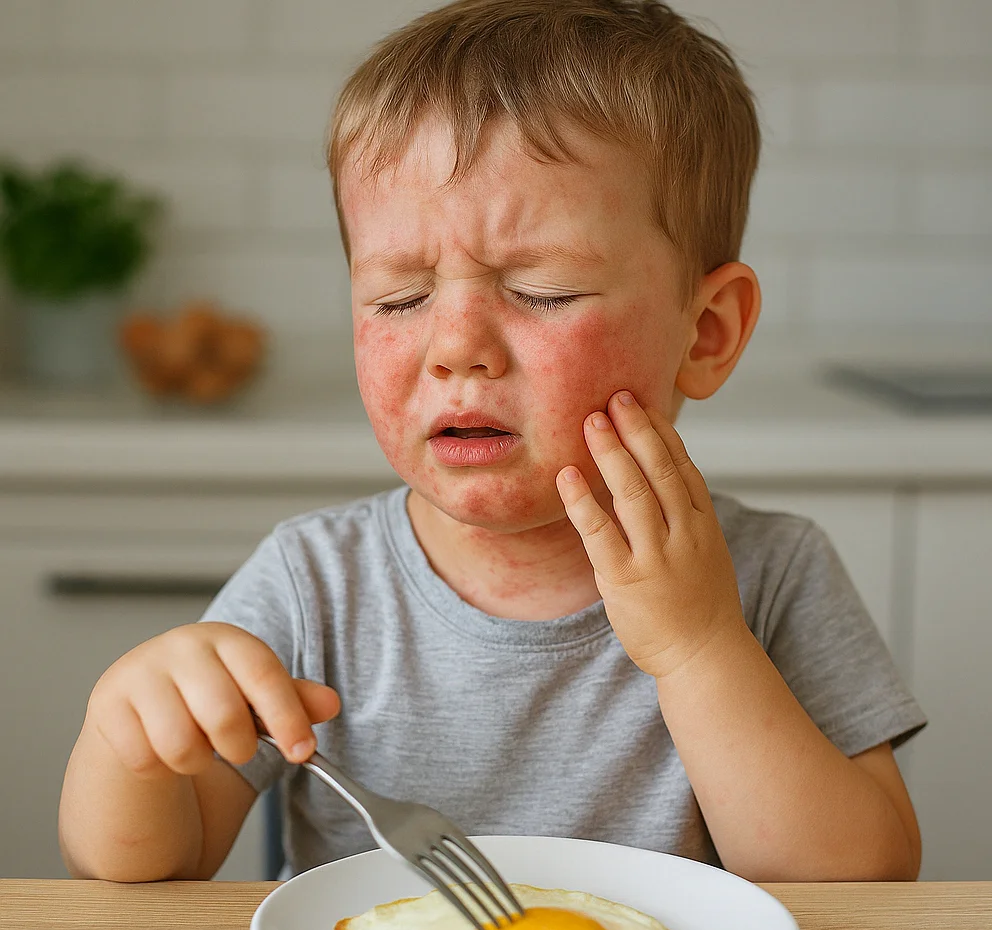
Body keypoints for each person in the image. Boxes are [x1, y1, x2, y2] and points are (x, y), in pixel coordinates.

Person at [59, 0, 926, 885]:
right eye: (399, 299)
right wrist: (125, 733)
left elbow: (863, 883)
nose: (455, 346)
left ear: (704, 334)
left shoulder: (773, 573)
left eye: (543, 290)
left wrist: (699, 647)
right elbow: (151, 869)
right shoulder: (312, 582)